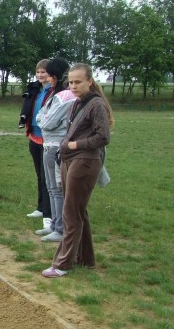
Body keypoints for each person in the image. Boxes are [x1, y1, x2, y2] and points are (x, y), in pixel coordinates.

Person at [43, 63, 114, 278]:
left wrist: (75, 145)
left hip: (85, 161)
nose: (73, 86)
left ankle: (63, 264)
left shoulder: (96, 105)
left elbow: (103, 137)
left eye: (78, 82)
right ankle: (85, 258)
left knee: (70, 212)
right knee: (78, 210)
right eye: (71, 82)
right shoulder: (77, 103)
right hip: (69, 160)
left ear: (89, 82)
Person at [36, 58, 77, 242]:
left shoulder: (65, 96)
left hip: (56, 145)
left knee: (57, 188)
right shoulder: (54, 94)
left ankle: (60, 229)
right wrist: (44, 119)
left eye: (50, 75)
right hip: (48, 144)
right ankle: (54, 223)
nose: (48, 79)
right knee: (51, 187)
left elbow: (48, 122)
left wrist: (44, 119)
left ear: (55, 76)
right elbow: (40, 116)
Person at [23, 60, 53, 232]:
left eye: (44, 72)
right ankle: (41, 207)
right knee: (39, 175)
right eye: (38, 72)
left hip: (47, 138)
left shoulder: (54, 91)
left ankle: (49, 214)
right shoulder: (36, 89)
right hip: (34, 135)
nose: (41, 75)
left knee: (47, 176)